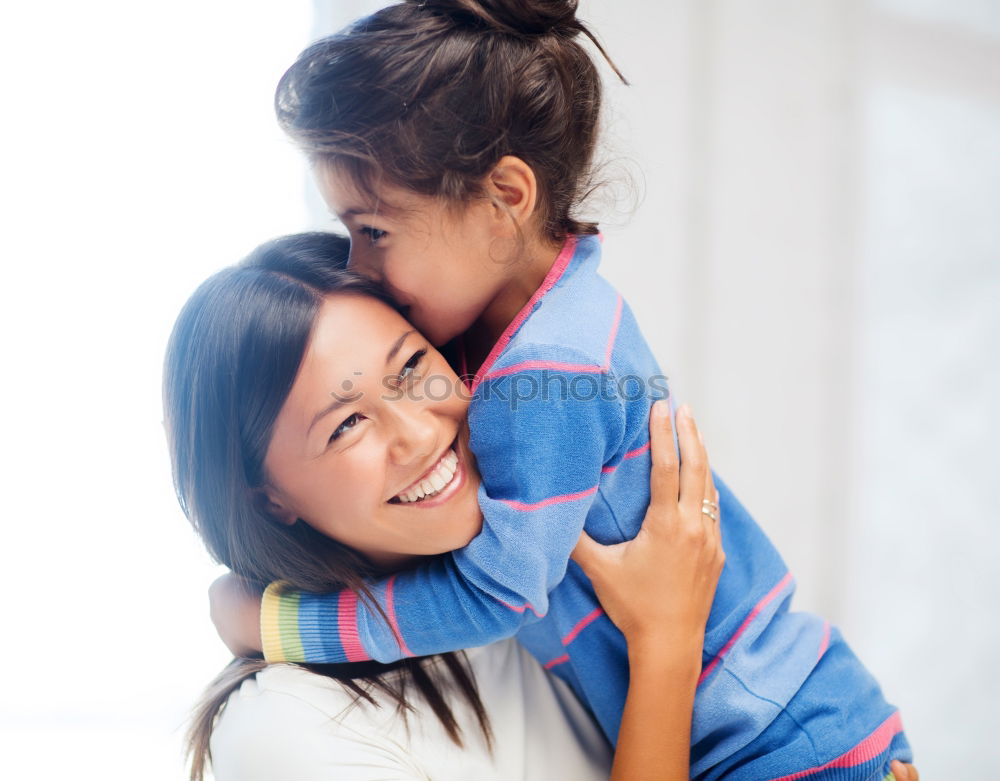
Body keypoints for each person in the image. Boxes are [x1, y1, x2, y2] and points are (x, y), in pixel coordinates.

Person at [211, 1, 915, 778]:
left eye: (374, 230)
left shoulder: (544, 372)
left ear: (505, 201)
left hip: (783, 744)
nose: (360, 266)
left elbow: (497, 596)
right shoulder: (556, 311)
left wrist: (281, 624)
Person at [164, 232, 726, 780]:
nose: (419, 434)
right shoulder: (287, 732)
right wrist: (667, 641)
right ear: (268, 500)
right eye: (347, 425)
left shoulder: (539, 554)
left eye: (410, 368)